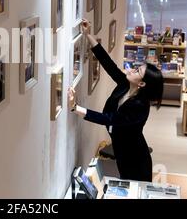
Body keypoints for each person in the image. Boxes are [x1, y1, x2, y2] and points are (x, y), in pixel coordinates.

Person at [68, 19, 164, 182]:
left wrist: (75, 107)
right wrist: (88, 35)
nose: (133, 68)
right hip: (121, 149)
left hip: (135, 157)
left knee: (133, 189)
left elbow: (109, 119)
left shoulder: (140, 107)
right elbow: (109, 65)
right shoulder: (126, 85)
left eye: (137, 70)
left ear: (141, 83)